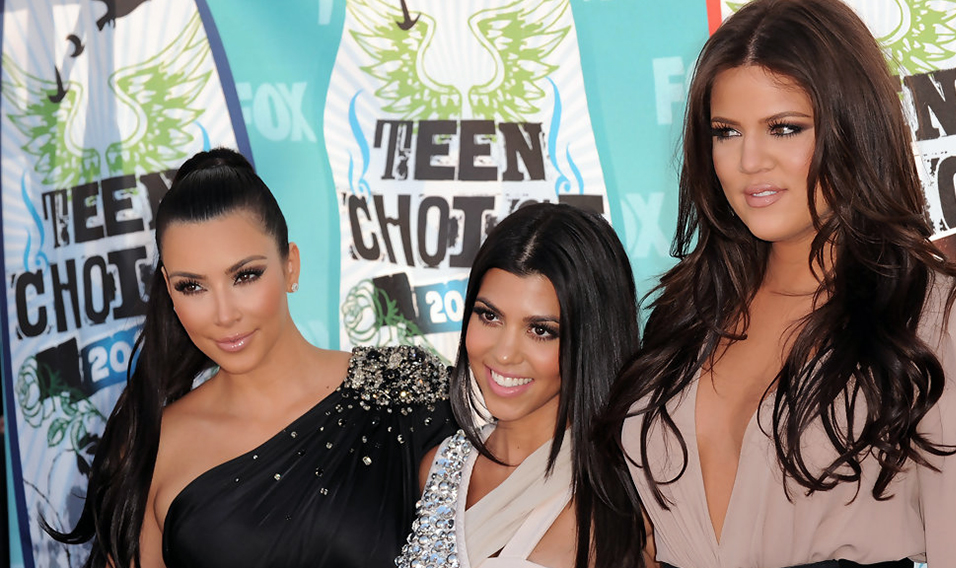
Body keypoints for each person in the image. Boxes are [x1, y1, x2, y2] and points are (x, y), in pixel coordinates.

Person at [601, 1, 956, 567]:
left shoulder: (944, 324)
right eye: (726, 132)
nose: (749, 161)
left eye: (784, 128)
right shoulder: (688, 313)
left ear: (854, 128)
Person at [49, 148, 456, 568]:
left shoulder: (404, 391)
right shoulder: (149, 446)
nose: (225, 314)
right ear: (169, 289)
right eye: (193, 287)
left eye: (245, 276)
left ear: (290, 266)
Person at [396, 203, 655, 568]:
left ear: (592, 340)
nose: (504, 354)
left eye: (540, 330)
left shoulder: (620, 509)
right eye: (489, 316)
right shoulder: (439, 469)